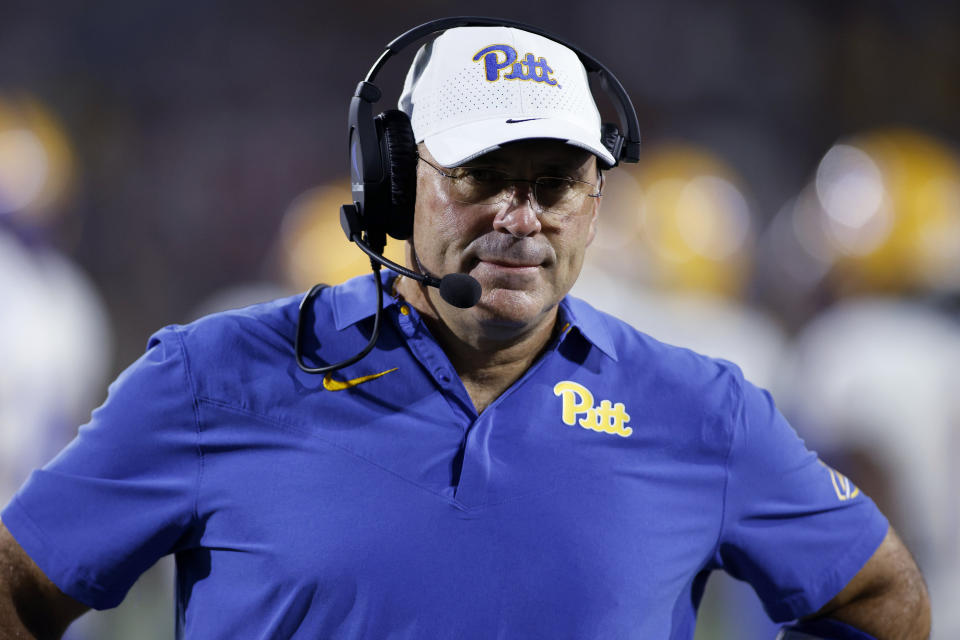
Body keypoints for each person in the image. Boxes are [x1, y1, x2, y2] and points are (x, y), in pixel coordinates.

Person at [0, 20, 930, 640]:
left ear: (596, 202)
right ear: (396, 182)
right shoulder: (214, 377)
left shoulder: (701, 410)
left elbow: (878, 594)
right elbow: (21, 579)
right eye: (483, 174)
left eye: (555, 182)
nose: (521, 218)